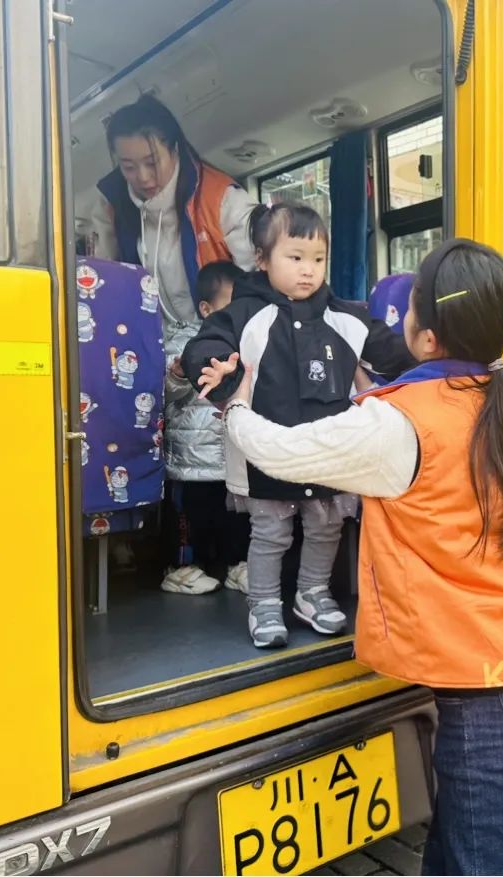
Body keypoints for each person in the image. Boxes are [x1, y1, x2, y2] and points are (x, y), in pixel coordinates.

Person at [219, 238, 503, 875]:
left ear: (428, 336)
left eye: (409, 304)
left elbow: (278, 450)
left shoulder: (397, 425)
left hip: (491, 697)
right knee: (459, 852)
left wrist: (236, 402)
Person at [183, 202, 415, 648]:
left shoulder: (345, 315)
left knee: (326, 525)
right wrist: (216, 371)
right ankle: (265, 603)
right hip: (269, 454)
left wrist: (432, 356)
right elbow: (209, 343)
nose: (308, 271)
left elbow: (390, 351)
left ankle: (312, 593)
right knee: (270, 532)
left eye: (318, 259)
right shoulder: (246, 314)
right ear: (263, 259)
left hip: (331, 454)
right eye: (295, 258)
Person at [91, 93, 256, 331]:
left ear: (174, 149)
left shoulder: (222, 199)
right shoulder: (111, 207)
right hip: (153, 348)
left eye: (152, 162)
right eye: (128, 167)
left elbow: (259, 285)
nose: (143, 177)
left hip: (222, 344)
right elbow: (104, 283)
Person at [161, 261, 250, 595]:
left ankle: (236, 565)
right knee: (190, 518)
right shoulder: (182, 340)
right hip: (191, 460)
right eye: (231, 305)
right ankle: (181, 567)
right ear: (206, 308)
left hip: (231, 454)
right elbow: (165, 394)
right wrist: (179, 374)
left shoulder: (245, 342)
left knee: (234, 517)